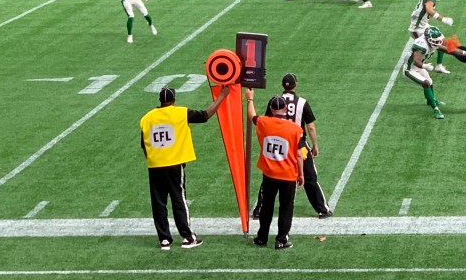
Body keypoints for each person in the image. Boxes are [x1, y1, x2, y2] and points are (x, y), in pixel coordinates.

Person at [140, 84, 230, 251]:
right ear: (173, 100)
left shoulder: (147, 118)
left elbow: (143, 145)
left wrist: (153, 160)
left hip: (155, 165)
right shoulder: (181, 112)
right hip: (174, 164)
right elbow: (205, 115)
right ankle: (187, 236)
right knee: (178, 199)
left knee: (158, 202)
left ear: (160, 100)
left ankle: (164, 239)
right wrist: (222, 96)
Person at [251, 74, 332, 219]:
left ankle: (259, 209)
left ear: (282, 85)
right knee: (309, 177)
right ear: (296, 84)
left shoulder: (275, 101)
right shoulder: (302, 102)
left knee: (269, 176)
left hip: (279, 143)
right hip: (299, 144)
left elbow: (267, 121)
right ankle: (322, 209)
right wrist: (315, 145)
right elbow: (311, 127)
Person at [245, 88, 304, 250]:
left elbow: (252, 116)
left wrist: (250, 99)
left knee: (266, 206)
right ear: (285, 109)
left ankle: (262, 237)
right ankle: (281, 239)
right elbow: (299, 155)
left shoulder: (265, 122)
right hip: (288, 174)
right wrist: (301, 174)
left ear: (271, 109)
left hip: (269, 173)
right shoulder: (294, 129)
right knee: (286, 207)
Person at [403, 24, 449, 119]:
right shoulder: (421, 45)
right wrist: (425, 66)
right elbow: (416, 62)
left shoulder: (430, 42)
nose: (437, 42)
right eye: (434, 41)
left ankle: (431, 100)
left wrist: (463, 52)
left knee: (430, 82)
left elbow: (446, 49)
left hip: (418, 68)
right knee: (426, 83)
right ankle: (435, 109)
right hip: (410, 70)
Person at [409, 0, 454, 78]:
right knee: (428, 47)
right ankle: (414, 68)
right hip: (418, 28)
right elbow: (429, 10)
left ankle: (438, 66)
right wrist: (444, 19)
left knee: (440, 40)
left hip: (422, 25)